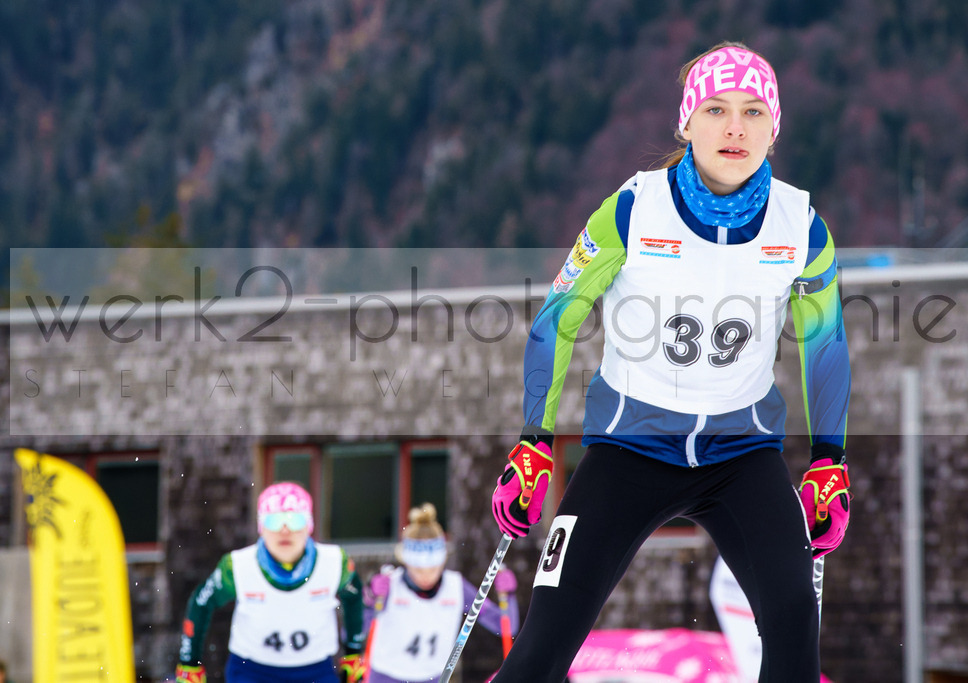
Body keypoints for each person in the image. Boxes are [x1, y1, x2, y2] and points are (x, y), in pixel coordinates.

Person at [489, 41, 852, 682]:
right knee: (544, 643)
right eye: (715, 109)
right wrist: (533, 443)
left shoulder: (801, 226)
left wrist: (830, 461)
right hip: (630, 450)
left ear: (775, 127)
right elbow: (556, 321)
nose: (734, 127)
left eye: (752, 112)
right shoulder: (633, 209)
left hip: (742, 455)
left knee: (796, 620)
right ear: (686, 122)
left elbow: (825, 344)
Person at [174, 482, 366, 683]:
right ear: (261, 527)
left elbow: (353, 596)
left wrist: (353, 651)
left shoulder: (334, 562)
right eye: (274, 521)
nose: (284, 530)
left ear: (309, 526)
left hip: (316, 670)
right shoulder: (237, 566)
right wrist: (189, 662)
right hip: (252, 671)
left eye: (295, 520)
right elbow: (201, 602)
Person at [362, 503, 520, 683]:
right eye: (418, 569)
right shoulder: (391, 584)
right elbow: (355, 630)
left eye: (432, 568)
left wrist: (509, 595)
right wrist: (369, 599)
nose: (426, 576)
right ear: (407, 563)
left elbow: (505, 625)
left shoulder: (456, 587)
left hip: (434, 678)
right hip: (386, 677)